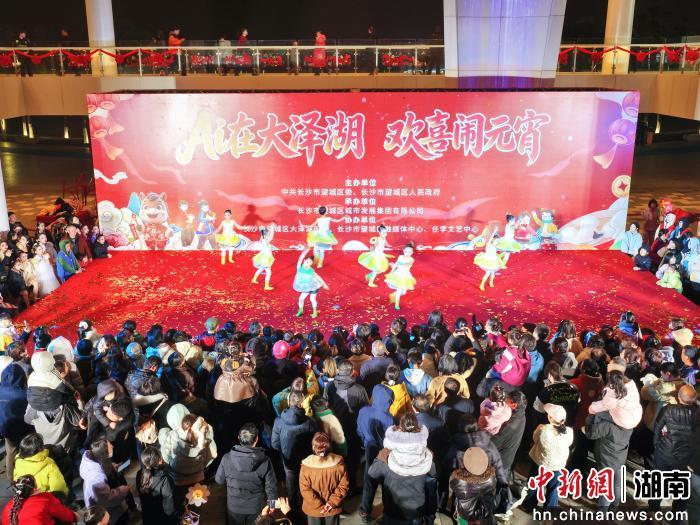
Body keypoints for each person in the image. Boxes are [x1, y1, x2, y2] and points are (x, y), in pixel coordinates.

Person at [360, 413, 436, 525]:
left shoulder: (385, 457)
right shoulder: (427, 458)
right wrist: (430, 517)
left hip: (392, 512)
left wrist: (381, 455)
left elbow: (372, 473)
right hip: (416, 513)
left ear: (400, 428)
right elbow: (431, 490)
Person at [216, 423, 277, 525]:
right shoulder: (265, 460)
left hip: (234, 507)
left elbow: (219, 480)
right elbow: (271, 486)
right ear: (257, 439)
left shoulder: (226, 458)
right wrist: (272, 505)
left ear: (238, 438)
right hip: (256, 508)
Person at [521, 404, 573, 512]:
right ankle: (549, 512)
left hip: (541, 463)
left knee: (535, 484)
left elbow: (535, 439)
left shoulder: (543, 429)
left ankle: (528, 505)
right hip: (558, 466)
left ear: (550, 418)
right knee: (553, 490)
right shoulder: (569, 431)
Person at [271, 391, 318, 512]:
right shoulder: (310, 422)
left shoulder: (278, 421)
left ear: (289, 402)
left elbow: (274, 444)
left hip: (288, 461)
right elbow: (315, 443)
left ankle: (292, 511)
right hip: (306, 461)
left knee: (291, 486)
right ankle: (307, 508)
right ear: (301, 403)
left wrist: (285, 451)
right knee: (306, 485)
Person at [299, 432, 350, 525]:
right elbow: (343, 486)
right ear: (329, 446)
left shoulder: (306, 466)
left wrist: (318, 505)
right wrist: (331, 503)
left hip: (313, 509)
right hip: (332, 508)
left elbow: (305, 490)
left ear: (313, 447)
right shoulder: (339, 463)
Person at [80, 438, 132, 525]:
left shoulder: (94, 456)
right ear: (103, 453)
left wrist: (113, 467)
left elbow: (103, 465)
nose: (113, 446)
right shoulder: (96, 478)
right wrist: (123, 490)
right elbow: (108, 499)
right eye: (110, 446)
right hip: (105, 512)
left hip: (107, 500)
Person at [1, 475, 78, 525]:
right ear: (34, 489)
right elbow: (65, 515)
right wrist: (74, 517)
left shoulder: (9, 506)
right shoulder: (44, 499)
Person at [450, 447, 497, 525]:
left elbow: (453, 486)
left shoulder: (458, 480)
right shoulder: (491, 478)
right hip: (484, 512)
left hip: (465, 513)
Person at [13, 433, 69, 497]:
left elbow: (16, 480)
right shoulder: (49, 464)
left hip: (27, 498)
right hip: (45, 499)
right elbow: (59, 489)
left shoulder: (18, 461)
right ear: (40, 448)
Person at [136, 447, 176, 525]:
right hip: (161, 518)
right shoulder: (165, 479)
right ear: (159, 460)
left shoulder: (139, 473)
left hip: (147, 515)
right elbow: (169, 505)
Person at [293, 247, 329, 318]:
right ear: (304, 261)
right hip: (305, 287)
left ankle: (315, 312)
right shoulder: (299, 267)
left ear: (311, 264)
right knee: (301, 298)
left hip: (314, 286)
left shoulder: (311, 270)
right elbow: (300, 258)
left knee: (312, 299)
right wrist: (307, 250)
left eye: (309, 263)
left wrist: (324, 284)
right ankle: (300, 310)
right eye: (307, 262)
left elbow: (318, 277)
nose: (307, 264)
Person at [385, 243, 416, 310]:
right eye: (406, 251)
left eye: (410, 252)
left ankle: (393, 294)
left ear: (412, 253)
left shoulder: (412, 259)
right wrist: (391, 272)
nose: (407, 253)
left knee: (403, 292)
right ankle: (397, 304)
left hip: (406, 276)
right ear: (403, 251)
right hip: (398, 275)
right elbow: (396, 264)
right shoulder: (400, 257)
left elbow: (406, 265)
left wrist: (397, 265)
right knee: (399, 290)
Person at [251, 224, 275, 290]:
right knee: (269, 272)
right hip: (265, 258)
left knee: (261, 269)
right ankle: (266, 286)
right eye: (268, 234)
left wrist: (268, 230)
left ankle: (254, 279)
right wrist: (272, 228)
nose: (269, 235)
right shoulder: (265, 240)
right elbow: (271, 237)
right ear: (266, 235)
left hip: (263, 257)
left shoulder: (262, 239)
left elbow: (268, 235)